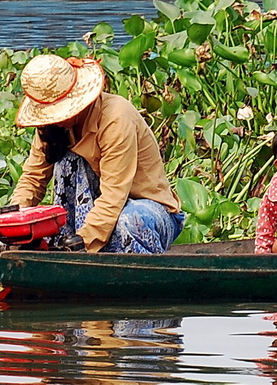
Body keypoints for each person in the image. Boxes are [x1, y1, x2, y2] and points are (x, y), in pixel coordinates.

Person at [10, 54, 184, 253]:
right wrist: (12, 222)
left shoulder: (116, 119)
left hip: (149, 211)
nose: (56, 120)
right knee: (66, 162)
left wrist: (83, 241)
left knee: (127, 221)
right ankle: (71, 242)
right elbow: (33, 178)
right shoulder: (50, 128)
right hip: (97, 213)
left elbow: (114, 194)